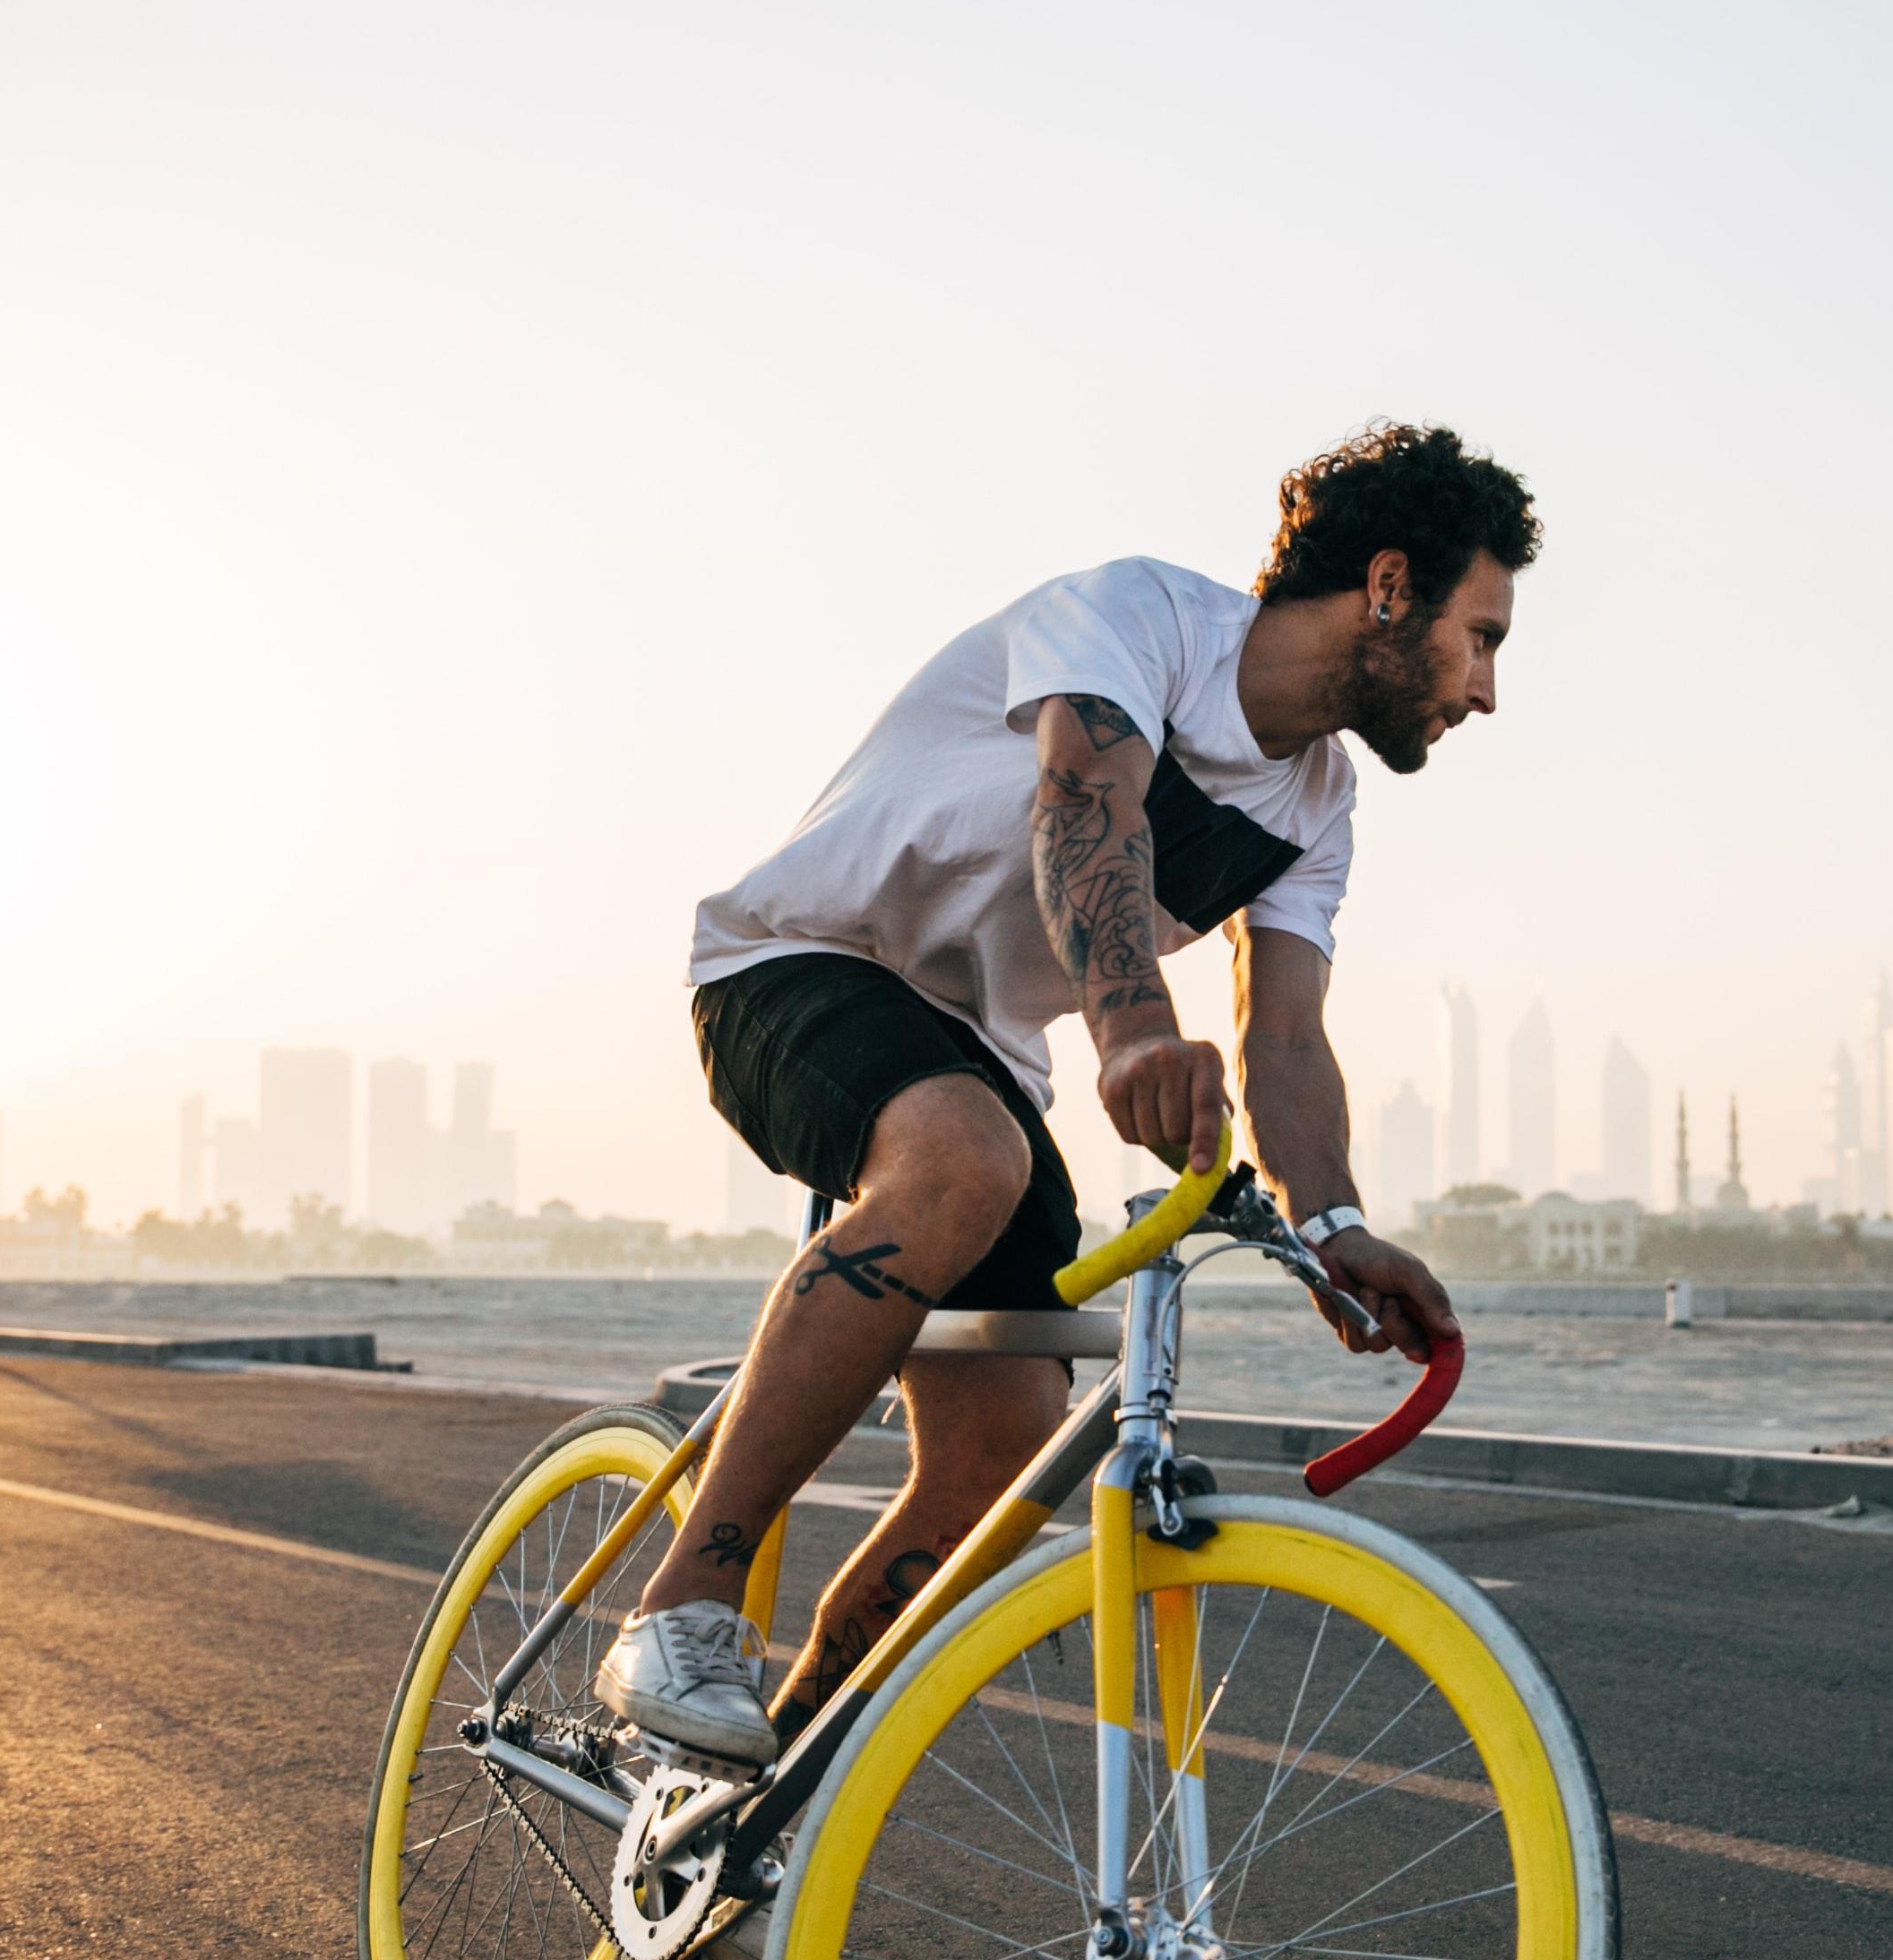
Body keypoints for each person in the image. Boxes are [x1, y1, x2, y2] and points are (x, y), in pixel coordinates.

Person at [598, 421, 1537, 1774]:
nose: (1486, 691)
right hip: (795, 966)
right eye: (1482, 636)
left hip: (980, 1055)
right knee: (967, 1160)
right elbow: (1081, 809)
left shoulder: (1317, 805)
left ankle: (750, 1792)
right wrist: (1133, 1032)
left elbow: (1282, 1041)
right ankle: (680, 1612)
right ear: (1387, 588)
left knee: (1005, 1456)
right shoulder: (1141, 616)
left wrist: (1333, 1231)